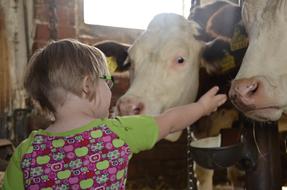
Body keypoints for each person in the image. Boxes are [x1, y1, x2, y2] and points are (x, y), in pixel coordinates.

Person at [3, 39, 227, 190]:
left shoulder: (26, 152)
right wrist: (202, 107)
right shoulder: (117, 133)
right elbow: (169, 122)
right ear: (87, 86)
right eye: (107, 81)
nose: (110, 89)